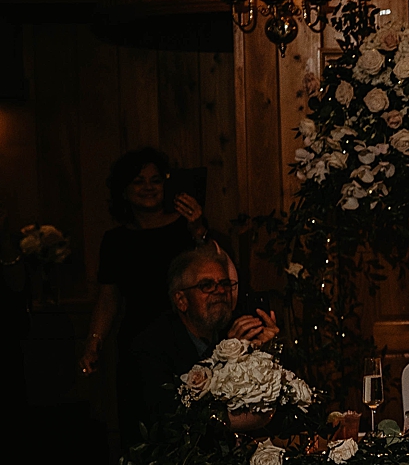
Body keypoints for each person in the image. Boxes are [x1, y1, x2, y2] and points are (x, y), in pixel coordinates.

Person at [79, 148, 210, 432]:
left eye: (155, 180)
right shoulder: (115, 240)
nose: (148, 187)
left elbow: (213, 270)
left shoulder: (184, 229)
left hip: (183, 337)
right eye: (139, 181)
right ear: (124, 190)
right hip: (136, 341)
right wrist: (94, 341)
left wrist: (198, 229)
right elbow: (108, 296)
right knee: (140, 425)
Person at [133, 243, 278, 428]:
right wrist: (228, 355)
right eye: (207, 285)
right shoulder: (152, 346)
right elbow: (174, 418)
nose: (220, 291)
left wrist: (268, 352)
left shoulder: (235, 326)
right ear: (181, 300)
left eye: (225, 284)